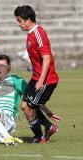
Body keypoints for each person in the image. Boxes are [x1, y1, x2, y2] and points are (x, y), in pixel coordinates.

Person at [14, 5, 60, 143]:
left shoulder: (39, 33)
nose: (18, 24)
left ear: (28, 20)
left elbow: (46, 58)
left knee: (31, 106)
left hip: (46, 80)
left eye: (19, 20)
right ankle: (40, 135)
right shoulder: (30, 35)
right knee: (24, 106)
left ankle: (48, 128)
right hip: (36, 78)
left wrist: (40, 81)